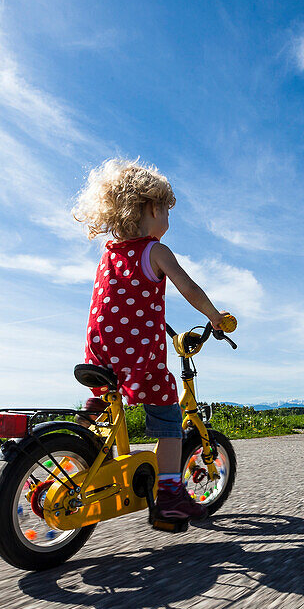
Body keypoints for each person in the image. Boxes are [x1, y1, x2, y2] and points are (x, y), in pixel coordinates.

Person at [73, 158, 233, 521]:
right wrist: (214, 316)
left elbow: (121, 303)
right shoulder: (155, 251)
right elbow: (188, 286)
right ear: (151, 208)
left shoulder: (109, 255)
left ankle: (81, 443)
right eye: (166, 212)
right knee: (168, 415)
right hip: (137, 355)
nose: (168, 222)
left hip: (99, 348)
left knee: (103, 395)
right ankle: (171, 495)